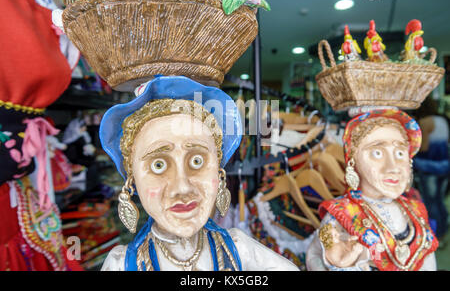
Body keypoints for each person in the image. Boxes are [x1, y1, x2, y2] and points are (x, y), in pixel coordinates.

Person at [100, 76, 299, 271]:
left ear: (219, 173)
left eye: (197, 161)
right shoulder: (121, 264)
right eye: (158, 165)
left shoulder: (239, 249)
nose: (183, 187)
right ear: (132, 181)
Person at [306, 109, 438, 271]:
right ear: (353, 161)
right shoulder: (343, 213)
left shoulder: (416, 210)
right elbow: (315, 259)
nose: (393, 167)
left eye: (400, 153)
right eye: (377, 153)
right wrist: (339, 261)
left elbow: (428, 261)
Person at [413, 97, 449, 237]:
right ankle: (444, 229)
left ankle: (437, 234)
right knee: (440, 199)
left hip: (429, 168)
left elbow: (424, 148)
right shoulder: (442, 120)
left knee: (431, 202)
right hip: (445, 165)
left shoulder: (424, 122)